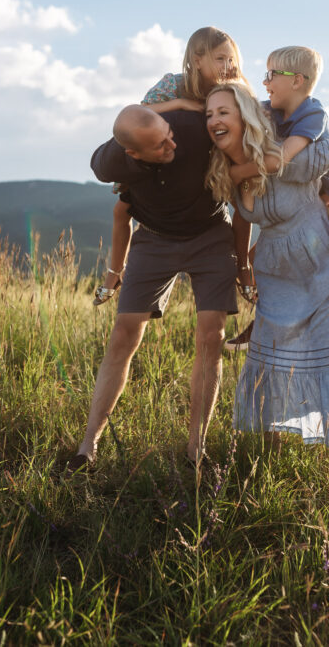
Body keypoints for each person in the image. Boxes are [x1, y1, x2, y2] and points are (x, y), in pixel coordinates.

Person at [204, 82, 329, 457]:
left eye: (224, 113)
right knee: (266, 362)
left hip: (327, 274)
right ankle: (262, 464)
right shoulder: (224, 166)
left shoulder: (289, 158)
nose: (214, 121)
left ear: (245, 118)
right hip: (278, 277)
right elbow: (242, 221)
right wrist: (242, 267)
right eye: (209, 115)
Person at [68, 104, 249, 472]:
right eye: (161, 146)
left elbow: (242, 198)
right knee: (123, 333)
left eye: (169, 135)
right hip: (154, 240)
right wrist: (113, 273)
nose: (172, 146)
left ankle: (195, 451)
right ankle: (87, 447)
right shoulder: (115, 163)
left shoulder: (190, 128)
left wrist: (244, 265)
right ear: (134, 155)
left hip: (211, 235)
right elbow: (120, 213)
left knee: (211, 333)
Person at [223, 46, 329, 353]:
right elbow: (248, 105)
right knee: (261, 258)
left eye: (271, 75)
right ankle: (265, 323)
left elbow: (282, 158)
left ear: (296, 81)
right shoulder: (273, 108)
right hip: (295, 197)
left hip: (327, 193)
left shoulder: (313, 115)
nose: (265, 82)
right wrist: (232, 80)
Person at [92, 26, 250, 306]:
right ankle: (114, 273)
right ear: (197, 59)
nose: (228, 66)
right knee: (122, 209)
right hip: (160, 159)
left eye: (231, 59)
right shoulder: (173, 85)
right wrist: (180, 104)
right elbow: (137, 114)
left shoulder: (234, 91)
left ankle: (243, 268)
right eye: (220, 58)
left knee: (245, 207)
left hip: (207, 165)